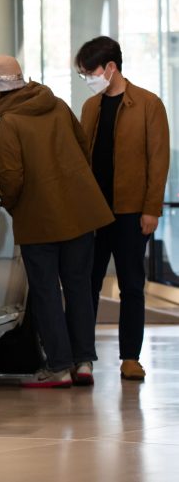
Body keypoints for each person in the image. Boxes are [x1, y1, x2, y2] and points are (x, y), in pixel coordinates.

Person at [0, 55, 113, 388]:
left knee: (46, 293)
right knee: (79, 287)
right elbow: (83, 148)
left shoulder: (10, 121)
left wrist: (12, 205)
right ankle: (84, 363)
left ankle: (59, 367)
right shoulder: (56, 105)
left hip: (39, 217)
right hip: (80, 212)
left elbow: (10, 176)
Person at [76, 36, 170, 381]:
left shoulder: (148, 104)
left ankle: (130, 357)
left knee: (132, 284)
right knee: (87, 282)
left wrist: (152, 208)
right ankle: (82, 355)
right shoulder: (91, 108)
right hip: (95, 212)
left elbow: (158, 161)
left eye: (90, 72)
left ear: (110, 67)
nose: (88, 78)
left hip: (132, 211)